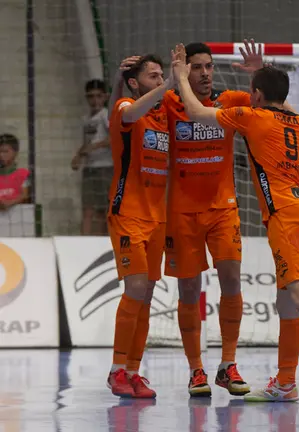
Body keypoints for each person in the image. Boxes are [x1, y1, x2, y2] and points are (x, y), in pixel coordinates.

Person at [171, 41, 299, 405]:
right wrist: (261, 72)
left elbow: (193, 110)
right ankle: (286, 382)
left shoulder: (251, 116)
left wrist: (178, 73)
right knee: (285, 304)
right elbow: (279, 101)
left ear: (255, 95)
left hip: (286, 217)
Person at [162, 42, 254, 398]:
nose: (204, 73)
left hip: (223, 208)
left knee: (231, 279)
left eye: (208, 66)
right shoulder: (171, 102)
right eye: (196, 67)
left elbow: (279, 108)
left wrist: (255, 75)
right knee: (188, 290)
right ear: (186, 72)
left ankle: (227, 364)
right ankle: (195, 369)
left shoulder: (230, 100)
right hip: (181, 212)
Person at [106, 53, 174, 399]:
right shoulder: (126, 107)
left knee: (146, 295)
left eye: (163, 74)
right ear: (135, 82)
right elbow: (129, 112)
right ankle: (117, 369)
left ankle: (133, 371)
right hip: (128, 213)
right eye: (153, 75)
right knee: (134, 289)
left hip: (157, 217)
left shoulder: (163, 113)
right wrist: (169, 85)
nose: (160, 79)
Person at [72, 79, 111, 235]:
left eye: (98, 96)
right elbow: (87, 141)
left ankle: (106, 242)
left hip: (106, 166)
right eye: (91, 97)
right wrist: (78, 156)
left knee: (105, 209)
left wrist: (91, 148)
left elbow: (114, 138)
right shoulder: (86, 118)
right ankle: (85, 242)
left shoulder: (106, 115)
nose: (95, 100)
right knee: (88, 208)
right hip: (90, 167)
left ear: (105, 97)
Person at [0, 134, 30, 211]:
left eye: (5, 151)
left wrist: (10, 203)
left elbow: (25, 195)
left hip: (18, 216)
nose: (1, 155)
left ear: (16, 152)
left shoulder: (23, 173)